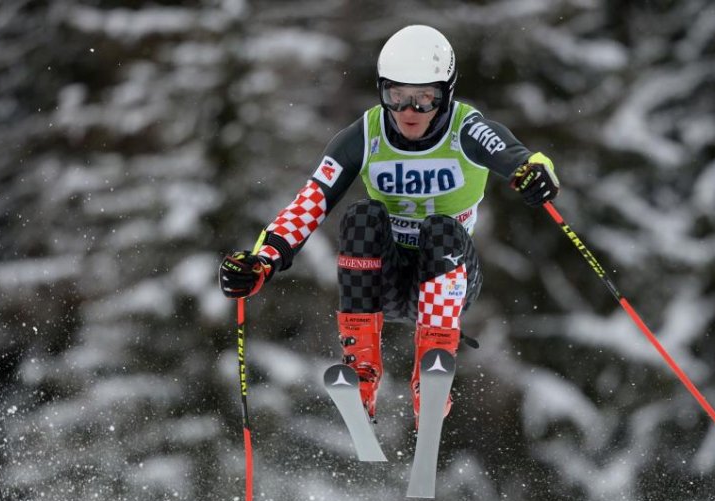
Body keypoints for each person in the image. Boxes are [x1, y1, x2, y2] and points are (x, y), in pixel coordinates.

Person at [219, 24, 559, 426]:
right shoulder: (366, 134)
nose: (408, 112)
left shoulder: (467, 128)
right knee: (362, 217)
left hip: (447, 280)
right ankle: (362, 370)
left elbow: (521, 158)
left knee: (440, 229)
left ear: (446, 94)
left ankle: (432, 371)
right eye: (396, 97)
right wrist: (263, 259)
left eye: (424, 99)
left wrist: (534, 174)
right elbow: (311, 200)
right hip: (383, 282)